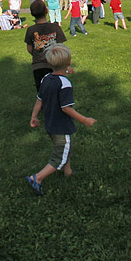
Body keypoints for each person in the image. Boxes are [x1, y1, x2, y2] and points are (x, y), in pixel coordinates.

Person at [25, 45, 96, 197]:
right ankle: (37, 178)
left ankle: (68, 172)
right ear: (69, 62)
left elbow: (39, 100)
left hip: (50, 123)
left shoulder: (46, 78)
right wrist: (84, 120)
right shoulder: (65, 84)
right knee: (60, 156)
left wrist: (34, 117)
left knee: (65, 148)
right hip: (61, 126)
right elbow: (66, 108)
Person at [24, 0, 67, 92]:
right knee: (57, 91)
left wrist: (37, 54)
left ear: (32, 14)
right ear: (46, 10)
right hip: (55, 64)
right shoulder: (55, 27)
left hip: (38, 66)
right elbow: (61, 47)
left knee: (42, 92)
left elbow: (29, 48)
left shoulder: (31, 30)